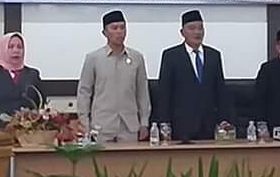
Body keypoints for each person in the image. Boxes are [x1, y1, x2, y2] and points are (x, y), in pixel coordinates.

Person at [155, 10, 233, 141]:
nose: (197, 32)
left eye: (200, 28)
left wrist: (224, 119)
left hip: (209, 126)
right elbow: (164, 93)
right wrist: (164, 125)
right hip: (181, 126)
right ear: (182, 32)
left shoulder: (214, 55)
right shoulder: (171, 56)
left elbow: (220, 90)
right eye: (192, 28)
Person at [77, 10, 151, 143]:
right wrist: (84, 123)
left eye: (122, 28)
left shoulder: (137, 58)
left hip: (129, 126)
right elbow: (84, 92)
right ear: (105, 32)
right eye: (114, 28)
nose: (119, 32)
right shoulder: (93, 58)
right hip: (102, 126)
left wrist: (144, 122)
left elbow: (142, 92)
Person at [0, 32, 46, 123]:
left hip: (28, 129)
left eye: (20, 47)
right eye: (11, 47)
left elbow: (40, 104)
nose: (16, 50)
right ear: (3, 50)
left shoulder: (33, 74)